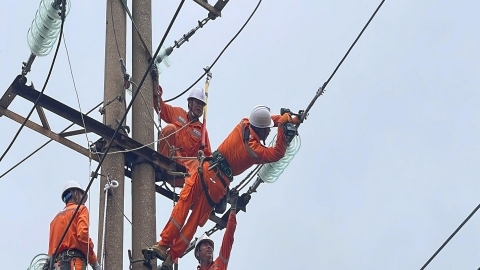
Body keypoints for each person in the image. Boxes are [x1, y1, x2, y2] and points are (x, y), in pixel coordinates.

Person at [143, 105, 295, 270]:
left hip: (206, 169)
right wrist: (282, 125)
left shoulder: (243, 123)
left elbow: (263, 120)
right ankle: (172, 256)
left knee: (183, 204)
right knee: (193, 221)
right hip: (218, 186)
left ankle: (163, 245)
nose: (269, 132)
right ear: (262, 130)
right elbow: (278, 153)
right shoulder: (255, 149)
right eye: (267, 130)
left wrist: (282, 119)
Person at [153, 81, 212, 187]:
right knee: (170, 128)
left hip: (184, 169)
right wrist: (156, 89)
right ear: (190, 103)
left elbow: (208, 157)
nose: (200, 107)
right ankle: (162, 164)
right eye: (197, 103)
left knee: (202, 166)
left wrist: (203, 157)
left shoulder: (202, 131)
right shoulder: (178, 113)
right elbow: (160, 107)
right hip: (169, 157)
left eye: (202, 105)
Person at [47, 181, 101, 270]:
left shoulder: (54, 220)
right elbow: (82, 235)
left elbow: (50, 253)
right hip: (75, 263)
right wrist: (94, 262)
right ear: (76, 193)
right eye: (82, 198)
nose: (83, 202)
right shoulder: (81, 209)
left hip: (58, 266)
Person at [194, 191, 239, 270]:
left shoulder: (219, 263)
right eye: (205, 244)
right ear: (197, 253)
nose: (209, 247)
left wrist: (233, 207)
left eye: (210, 245)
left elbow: (229, 236)